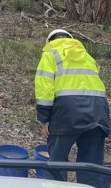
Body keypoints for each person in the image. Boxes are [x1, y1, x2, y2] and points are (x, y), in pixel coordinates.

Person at [35, 28, 110, 187]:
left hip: (66, 114)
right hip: (97, 113)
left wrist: (44, 118)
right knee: (92, 168)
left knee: (57, 164)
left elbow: (44, 89)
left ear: (50, 41)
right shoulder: (87, 57)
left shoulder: (50, 54)